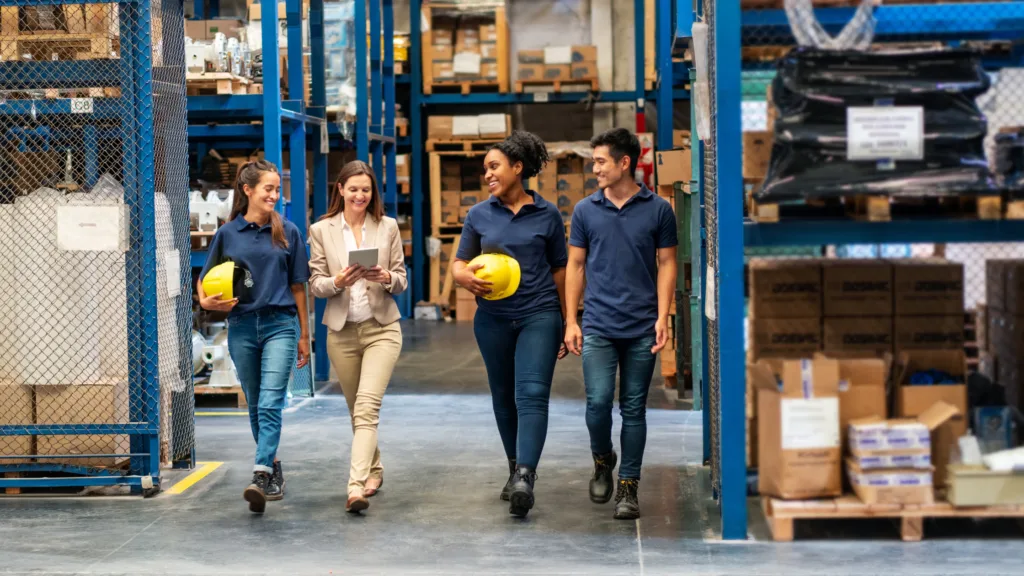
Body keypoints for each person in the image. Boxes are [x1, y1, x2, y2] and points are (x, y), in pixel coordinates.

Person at [452, 131, 569, 519]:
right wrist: (464, 278)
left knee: (532, 393)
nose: (487, 174)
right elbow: (458, 263)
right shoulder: (479, 215)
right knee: (503, 397)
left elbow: (560, 270)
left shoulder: (548, 214)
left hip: (539, 313)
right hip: (493, 320)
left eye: (494, 166)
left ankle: (525, 475)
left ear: (518, 168)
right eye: (485, 168)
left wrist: (568, 320)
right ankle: (513, 465)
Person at [564, 128, 678, 520]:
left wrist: (664, 317)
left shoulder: (658, 209)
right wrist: (571, 320)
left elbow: (667, 264)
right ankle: (602, 459)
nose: (594, 168)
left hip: (643, 325)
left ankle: (628, 486)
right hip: (597, 323)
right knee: (597, 404)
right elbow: (575, 265)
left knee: (634, 409)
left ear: (624, 163)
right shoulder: (585, 210)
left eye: (600, 161)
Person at [197, 160, 311, 515]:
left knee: (271, 400)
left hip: (280, 324)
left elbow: (298, 287)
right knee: (255, 399)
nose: (275, 196)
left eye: (277, 190)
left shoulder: (288, 232)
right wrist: (204, 299)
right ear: (247, 190)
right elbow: (204, 278)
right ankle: (272, 464)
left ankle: (260, 473)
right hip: (243, 326)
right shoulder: (228, 234)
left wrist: (304, 336)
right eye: (268, 189)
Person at [307, 160, 407, 515]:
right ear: (341, 190)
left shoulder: (388, 226)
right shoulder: (321, 230)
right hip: (342, 332)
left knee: (367, 407)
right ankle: (374, 470)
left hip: (382, 328)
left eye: (366, 190)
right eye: (354, 189)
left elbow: (401, 278)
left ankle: (354, 487)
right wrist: (338, 282)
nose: (360, 195)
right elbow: (316, 282)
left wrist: (385, 277)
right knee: (356, 411)